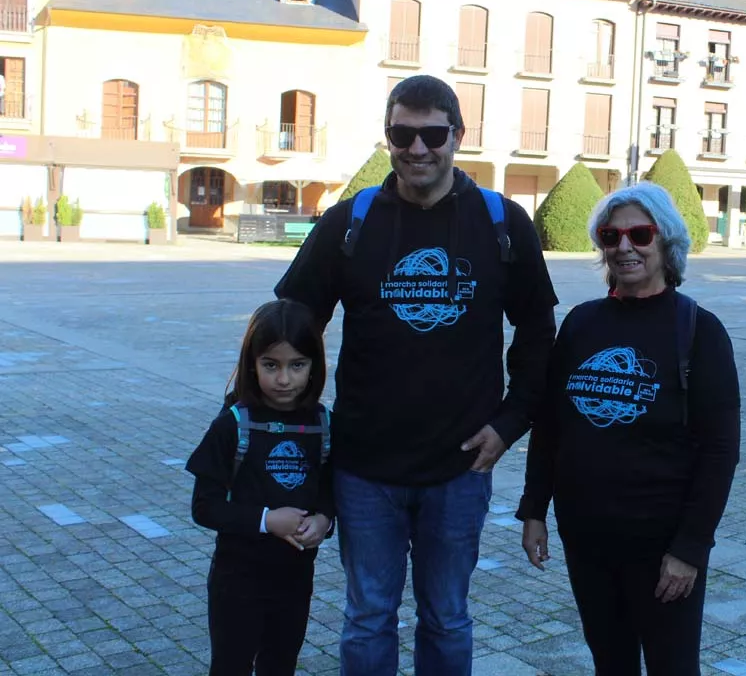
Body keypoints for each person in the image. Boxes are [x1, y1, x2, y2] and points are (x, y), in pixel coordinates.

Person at [274, 74, 558, 675]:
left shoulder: (502, 223)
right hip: (364, 468)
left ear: (458, 135)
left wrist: (508, 425)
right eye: (404, 134)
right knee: (368, 616)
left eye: (433, 134)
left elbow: (537, 335)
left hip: (458, 467)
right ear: (388, 138)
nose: (419, 148)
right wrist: (271, 413)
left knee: (447, 617)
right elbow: (290, 326)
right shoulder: (349, 223)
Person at [517, 182, 741, 676]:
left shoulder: (700, 331)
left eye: (640, 234)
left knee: (672, 667)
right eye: (610, 235)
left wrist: (689, 549)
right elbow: (551, 424)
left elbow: (720, 452)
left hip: (661, 545)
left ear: (666, 243)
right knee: (611, 663)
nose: (624, 246)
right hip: (588, 538)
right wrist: (534, 508)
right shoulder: (581, 323)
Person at [186, 298, 334, 676]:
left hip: (296, 578)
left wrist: (324, 520)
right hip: (238, 580)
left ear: (315, 365)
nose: (284, 379)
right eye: (271, 365)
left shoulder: (324, 425)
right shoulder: (233, 425)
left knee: (280, 664)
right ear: (251, 365)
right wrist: (268, 520)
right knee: (232, 665)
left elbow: (330, 487)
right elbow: (205, 506)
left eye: (297, 365)